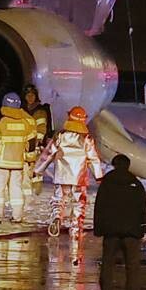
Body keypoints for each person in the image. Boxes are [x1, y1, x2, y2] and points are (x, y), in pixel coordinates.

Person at [34, 106, 104, 263]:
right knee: (79, 203)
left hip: (61, 175)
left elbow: (48, 153)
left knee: (59, 199)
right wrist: (99, 176)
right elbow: (93, 158)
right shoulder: (86, 138)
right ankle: (75, 229)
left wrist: (38, 169)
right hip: (79, 177)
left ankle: (57, 217)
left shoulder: (61, 135)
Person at [93, 154, 146, 290]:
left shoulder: (107, 183)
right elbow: (143, 208)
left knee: (107, 263)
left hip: (111, 231)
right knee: (132, 265)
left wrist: (99, 229)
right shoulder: (135, 183)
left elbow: (100, 207)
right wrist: (144, 229)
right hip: (132, 232)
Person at [0, 93, 37, 223]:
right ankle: (17, 216)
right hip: (18, 164)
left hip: (1, 163)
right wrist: (30, 159)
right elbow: (31, 143)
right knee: (16, 189)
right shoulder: (26, 124)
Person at [22, 84, 52, 205]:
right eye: (28, 95)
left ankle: (36, 192)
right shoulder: (21, 110)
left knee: (35, 169)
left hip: (35, 145)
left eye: (32, 95)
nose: (30, 97)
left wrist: (36, 142)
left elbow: (41, 128)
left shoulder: (40, 111)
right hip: (24, 144)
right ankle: (27, 194)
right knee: (25, 169)